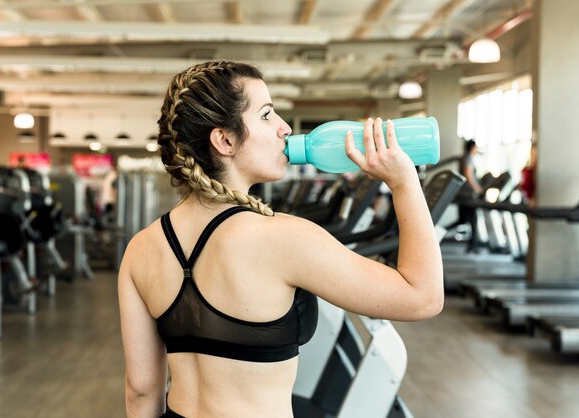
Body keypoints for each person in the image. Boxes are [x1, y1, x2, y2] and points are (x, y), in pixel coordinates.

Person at [118, 61, 443, 418]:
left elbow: (141, 392)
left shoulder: (141, 248)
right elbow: (422, 297)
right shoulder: (283, 237)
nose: (285, 128)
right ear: (225, 140)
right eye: (267, 115)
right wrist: (404, 182)